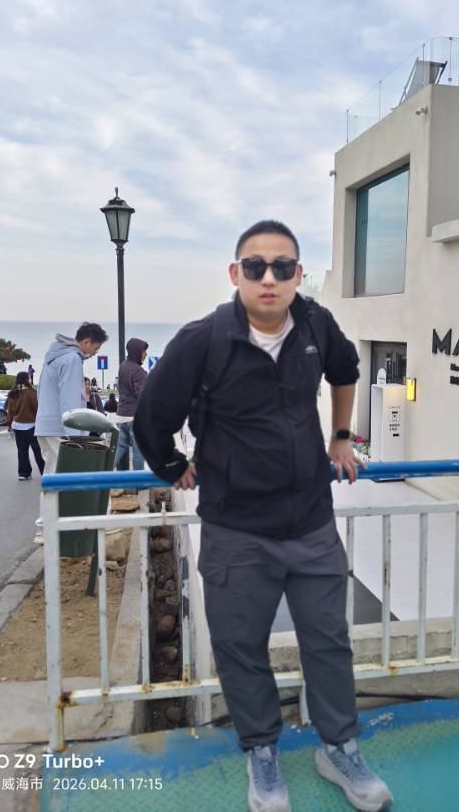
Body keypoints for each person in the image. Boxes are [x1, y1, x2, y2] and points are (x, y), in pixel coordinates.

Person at [134, 220, 393, 812]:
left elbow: (346, 370)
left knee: (328, 643)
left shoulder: (316, 324)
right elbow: (152, 415)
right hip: (236, 529)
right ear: (236, 273)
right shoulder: (202, 340)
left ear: (299, 274)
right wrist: (172, 464)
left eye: (283, 267)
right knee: (240, 646)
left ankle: (339, 748)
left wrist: (342, 436)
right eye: (256, 266)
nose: (269, 278)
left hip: (311, 522)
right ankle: (262, 752)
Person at [34, 323, 108, 538]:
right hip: (61, 428)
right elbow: (70, 400)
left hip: (46, 425)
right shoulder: (72, 359)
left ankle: (46, 527)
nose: (95, 353)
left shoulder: (54, 357)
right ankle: (57, 528)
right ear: (86, 342)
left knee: (51, 477)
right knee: (65, 478)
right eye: (96, 348)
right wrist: (75, 436)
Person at [115, 338, 148, 472]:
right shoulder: (139, 371)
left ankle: (103, 470)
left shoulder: (123, 366)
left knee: (120, 446)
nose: (145, 355)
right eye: (144, 352)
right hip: (134, 417)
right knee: (138, 450)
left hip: (121, 415)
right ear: (136, 352)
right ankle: (138, 482)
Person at [6, 371, 45, 480]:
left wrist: (9, 423)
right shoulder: (31, 393)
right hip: (31, 425)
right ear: (26, 379)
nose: (30, 379)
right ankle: (44, 472)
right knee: (38, 450)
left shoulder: (12, 393)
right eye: (29, 378)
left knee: (22, 451)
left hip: (17, 426)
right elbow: (37, 409)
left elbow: (10, 411)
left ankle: (23, 473)